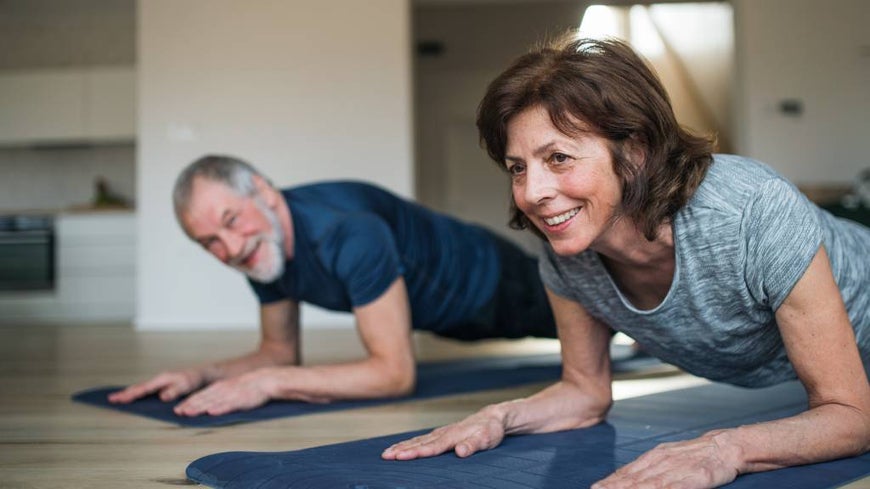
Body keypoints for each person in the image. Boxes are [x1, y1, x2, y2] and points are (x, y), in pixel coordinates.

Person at [381, 36, 870, 488]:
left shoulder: (752, 211)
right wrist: (501, 417)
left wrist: (725, 448)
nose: (532, 193)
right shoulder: (569, 251)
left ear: (636, 150)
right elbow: (584, 392)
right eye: (518, 168)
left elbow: (850, 414)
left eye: (558, 158)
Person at [108, 155, 556, 416]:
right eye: (210, 243)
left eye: (231, 221)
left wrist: (269, 384)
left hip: (494, 282)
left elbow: (394, 374)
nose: (230, 248)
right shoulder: (263, 250)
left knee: (603, 315)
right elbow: (278, 353)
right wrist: (198, 375)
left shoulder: (346, 232)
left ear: (263, 193)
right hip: (449, 315)